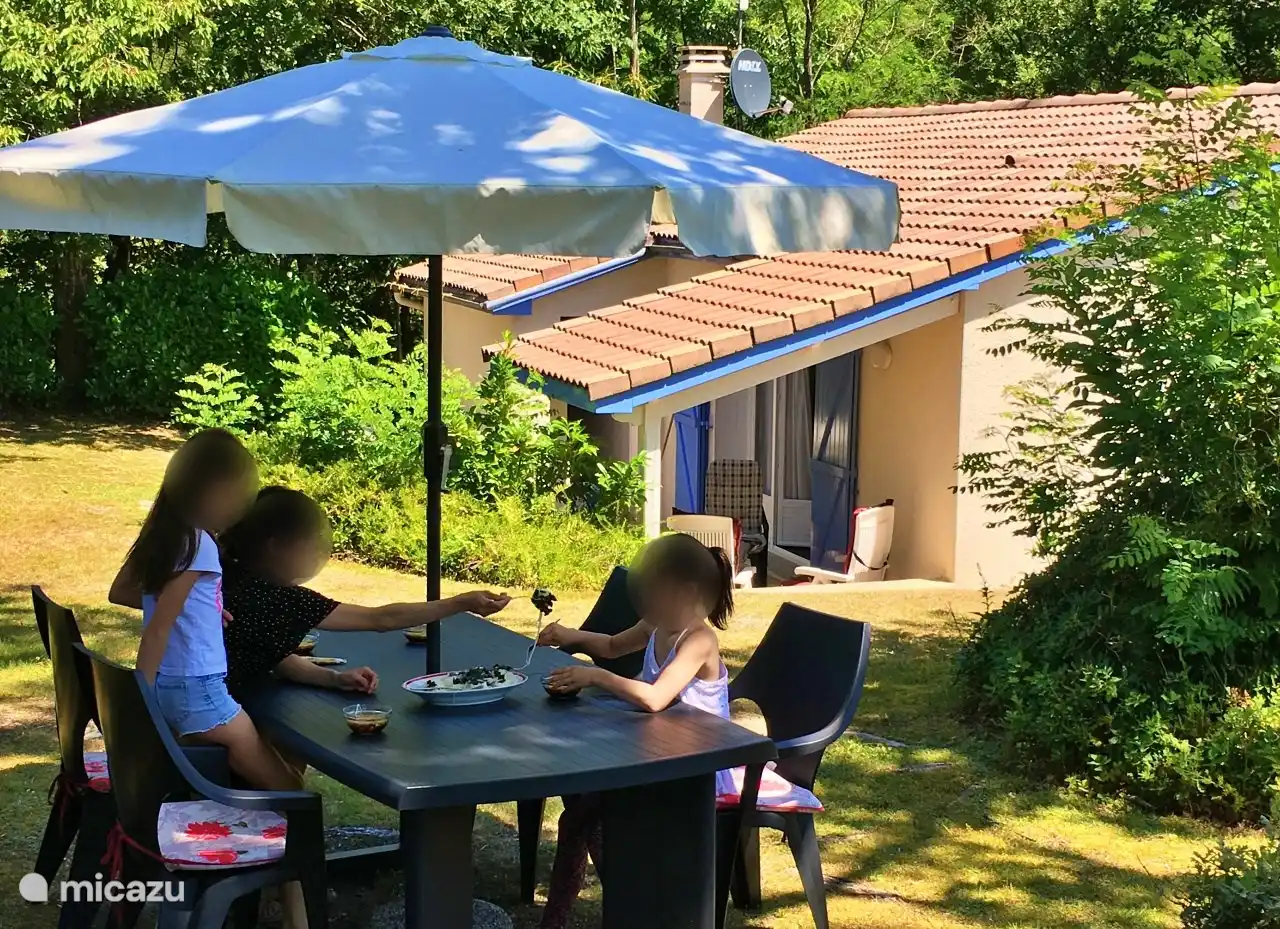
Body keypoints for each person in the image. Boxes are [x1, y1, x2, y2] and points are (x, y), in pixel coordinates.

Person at [108, 430, 313, 929]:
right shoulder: (200, 543)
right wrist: (144, 700)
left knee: (283, 775)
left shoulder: (168, 534)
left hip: (186, 690)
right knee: (298, 800)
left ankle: (278, 901)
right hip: (199, 698)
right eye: (238, 499)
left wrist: (202, 614)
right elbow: (158, 627)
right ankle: (300, 916)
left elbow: (154, 600)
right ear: (215, 491)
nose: (239, 512)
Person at [536, 532, 735, 929]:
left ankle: (621, 905)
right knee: (581, 807)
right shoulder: (657, 622)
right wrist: (569, 636)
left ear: (686, 589)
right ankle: (619, 903)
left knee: (583, 812)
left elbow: (656, 698)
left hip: (697, 770)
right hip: (654, 753)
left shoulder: (698, 639)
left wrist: (594, 677)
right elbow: (612, 645)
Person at [217, 486, 510, 700]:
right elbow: (382, 619)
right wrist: (461, 602)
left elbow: (274, 657)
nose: (316, 552)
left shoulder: (218, 574)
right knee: (287, 781)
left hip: (202, 709)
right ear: (275, 545)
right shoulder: (283, 600)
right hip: (219, 712)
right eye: (308, 543)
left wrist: (336, 679)